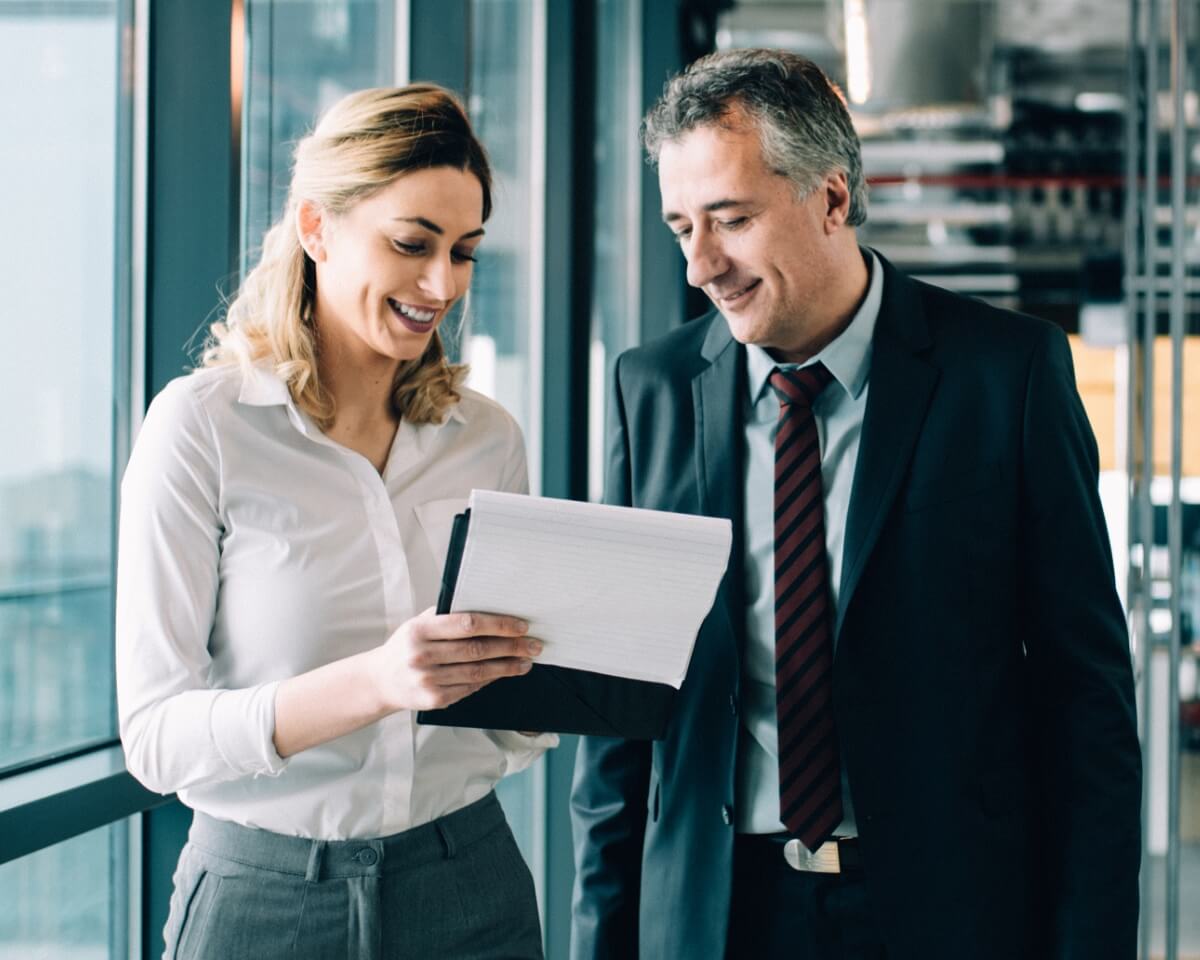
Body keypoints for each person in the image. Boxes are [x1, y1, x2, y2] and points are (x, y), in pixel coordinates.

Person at [570, 48, 1141, 960]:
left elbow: (1089, 703)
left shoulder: (1007, 376)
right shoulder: (653, 389)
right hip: (715, 915)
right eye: (682, 227)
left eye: (732, 219)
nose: (701, 266)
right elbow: (622, 728)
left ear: (831, 198)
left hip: (948, 910)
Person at [116, 84, 554, 960]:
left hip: (470, 879)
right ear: (316, 229)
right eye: (411, 245)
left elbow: (511, 722)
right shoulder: (203, 426)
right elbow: (156, 738)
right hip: (263, 900)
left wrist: (559, 673)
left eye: (464, 253)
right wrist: (380, 681)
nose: (442, 285)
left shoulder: (486, 438)